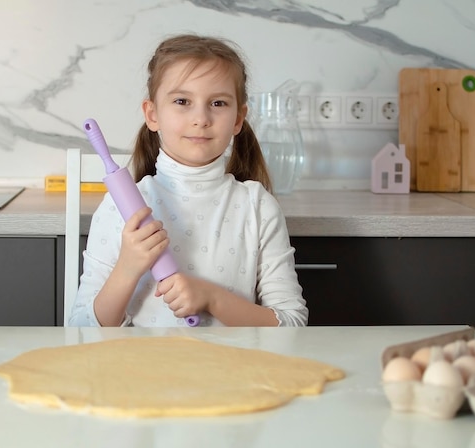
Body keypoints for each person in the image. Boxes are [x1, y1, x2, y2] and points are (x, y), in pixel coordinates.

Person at [69, 34, 308, 327]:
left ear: (238, 119)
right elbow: (80, 328)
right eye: (182, 101)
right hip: (140, 371)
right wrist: (127, 269)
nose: (201, 118)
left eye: (218, 103)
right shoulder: (119, 208)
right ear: (152, 114)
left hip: (231, 369)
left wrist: (212, 298)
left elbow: (293, 324)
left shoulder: (257, 207)